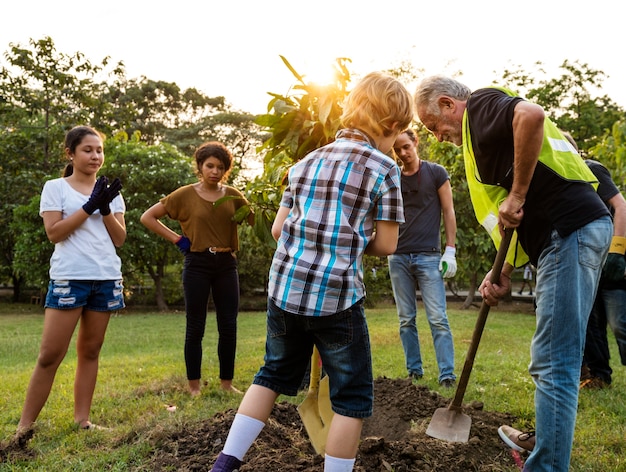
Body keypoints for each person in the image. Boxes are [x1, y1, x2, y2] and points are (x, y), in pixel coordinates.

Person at [209, 71, 414, 472]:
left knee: (270, 375)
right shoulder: (385, 169)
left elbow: (276, 229)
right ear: (390, 126)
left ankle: (225, 463)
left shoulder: (306, 161)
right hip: (337, 298)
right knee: (352, 398)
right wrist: (353, 240)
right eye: (398, 133)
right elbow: (388, 245)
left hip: (285, 290)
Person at [414, 76, 612, 472]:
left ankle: (546, 465)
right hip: (566, 234)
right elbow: (513, 221)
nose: (437, 137)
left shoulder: (480, 108)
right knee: (556, 355)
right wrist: (501, 272)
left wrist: (518, 193)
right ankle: (548, 444)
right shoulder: (480, 142)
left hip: (568, 231)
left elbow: (531, 115)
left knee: (554, 360)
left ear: (448, 103)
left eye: (434, 126)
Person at [14, 125, 126, 441]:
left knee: (90, 351)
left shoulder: (112, 194)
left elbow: (119, 239)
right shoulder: (56, 188)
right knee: (50, 354)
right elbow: (55, 233)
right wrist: (88, 206)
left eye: (99, 150)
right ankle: (24, 427)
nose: (95, 156)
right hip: (69, 279)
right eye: (87, 150)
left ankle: (83, 420)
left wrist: (104, 208)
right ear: (71, 154)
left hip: (105, 278)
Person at [141, 141, 252, 396]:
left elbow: (253, 218)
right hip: (197, 264)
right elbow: (148, 217)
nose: (214, 171)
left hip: (226, 264)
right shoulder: (184, 194)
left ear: (226, 170)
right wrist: (177, 239)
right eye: (209, 165)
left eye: (220, 167)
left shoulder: (234, 195)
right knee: (195, 326)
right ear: (200, 167)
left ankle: (226, 384)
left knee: (228, 325)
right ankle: (193, 386)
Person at [388, 128, 457, 388]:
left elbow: (449, 212)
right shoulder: (392, 176)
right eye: (397, 149)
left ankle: (447, 374)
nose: (403, 153)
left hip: (429, 256)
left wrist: (450, 250)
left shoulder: (436, 173)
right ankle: (414, 372)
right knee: (406, 319)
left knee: (438, 317)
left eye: (406, 146)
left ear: (416, 142)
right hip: (398, 257)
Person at [562, 134, 626, 389]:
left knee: (620, 324)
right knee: (590, 323)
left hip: (613, 262)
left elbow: (621, 206)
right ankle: (599, 375)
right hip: (590, 260)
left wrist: (617, 252)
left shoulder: (590, 169)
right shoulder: (566, 181)